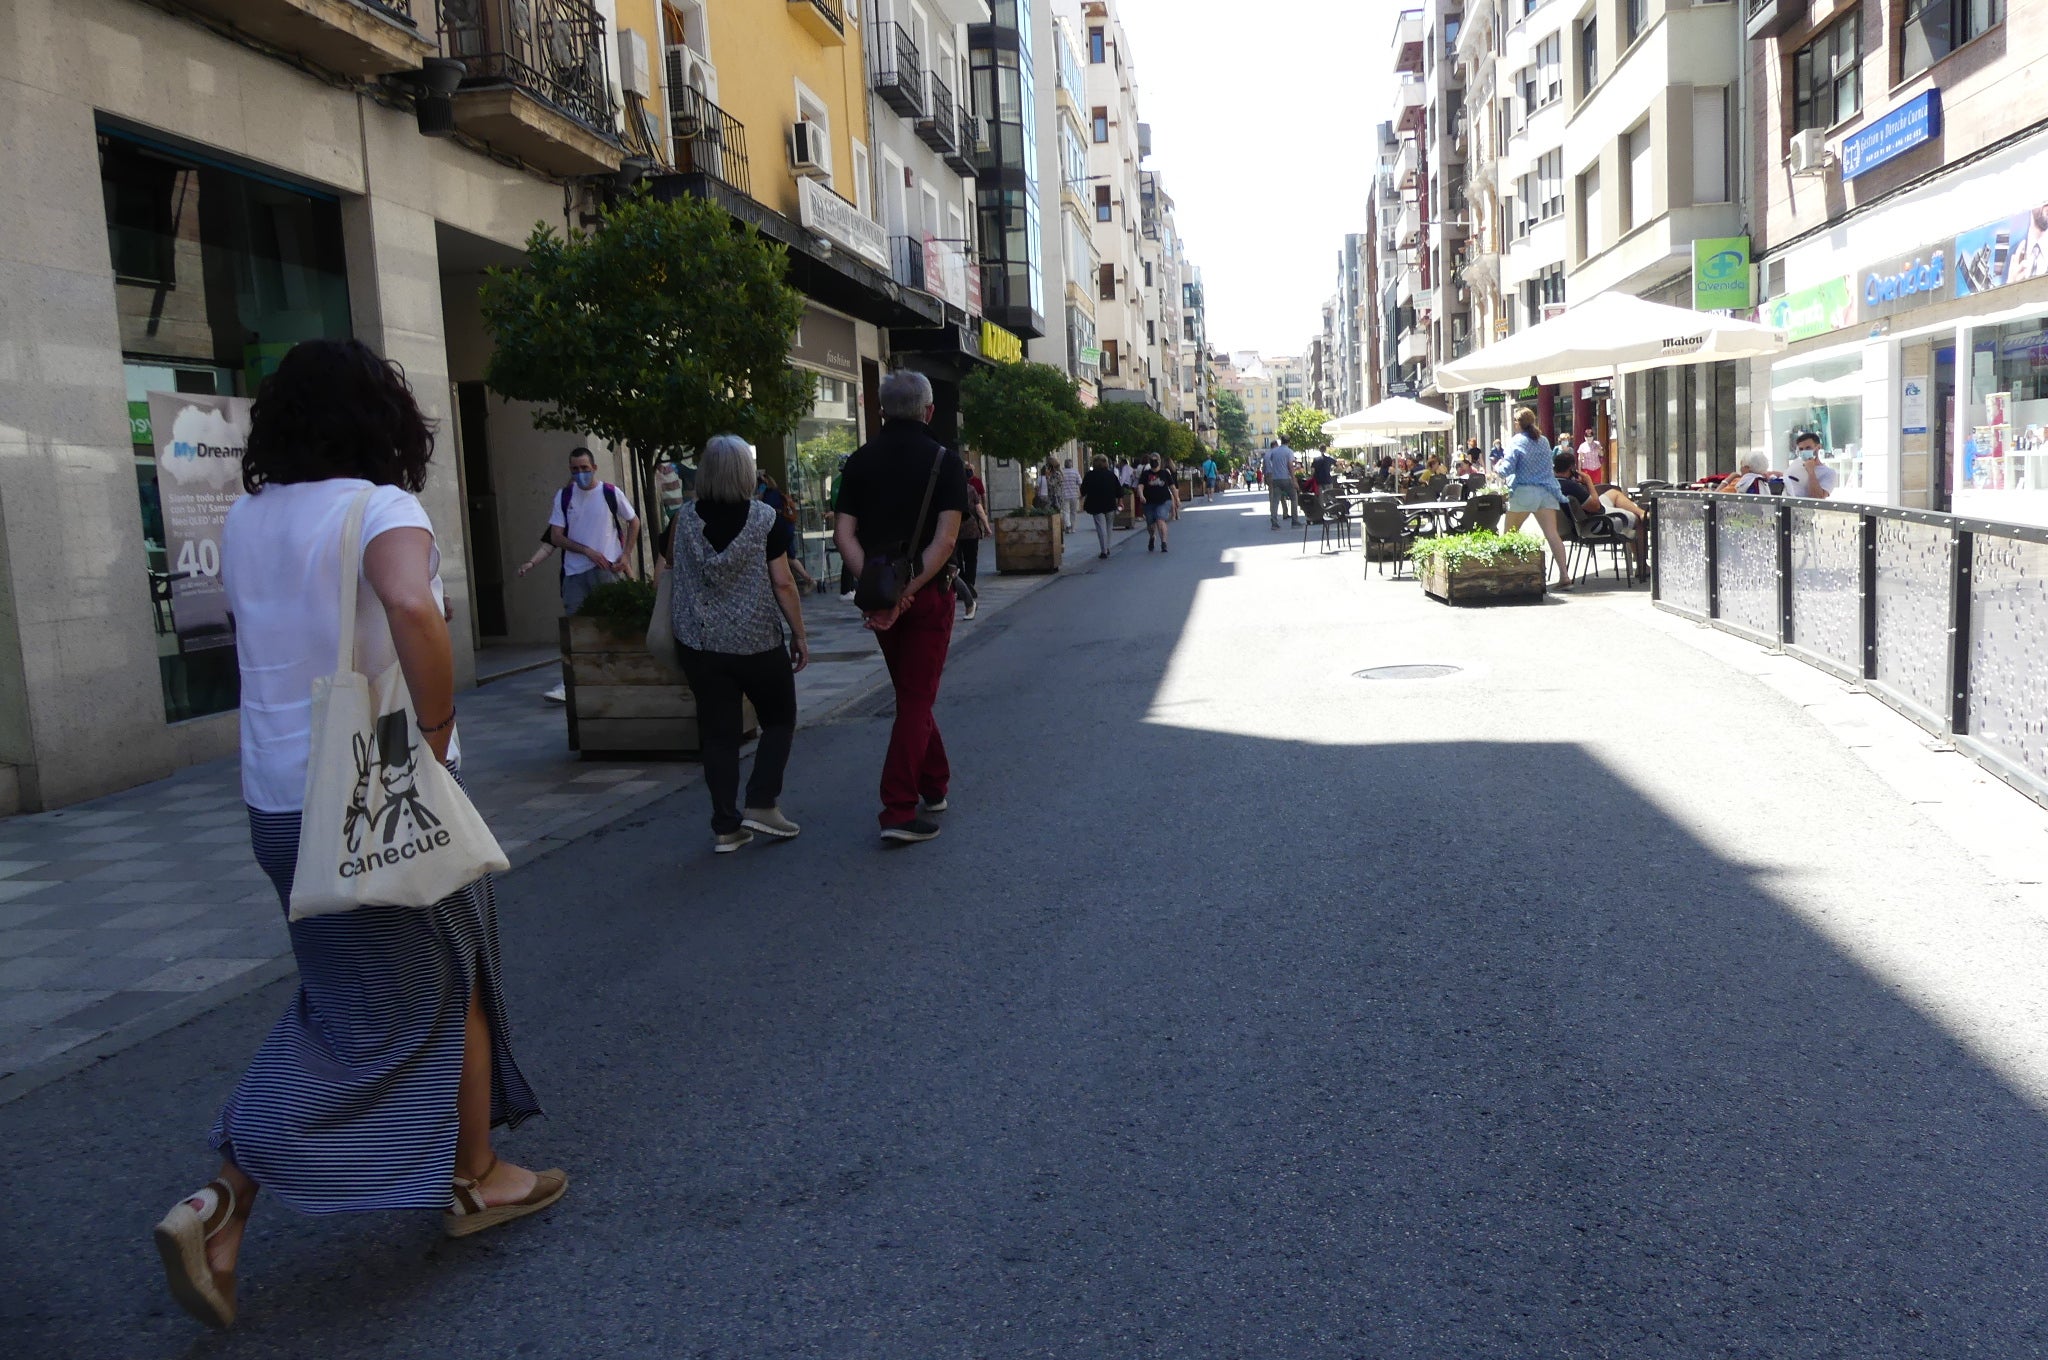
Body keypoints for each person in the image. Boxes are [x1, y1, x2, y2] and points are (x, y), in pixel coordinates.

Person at [156, 340, 559, 1332]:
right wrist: (430, 734)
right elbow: (413, 608)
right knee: (378, 1012)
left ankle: (472, 1172)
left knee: (415, 975)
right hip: (375, 791)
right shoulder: (380, 507)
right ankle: (224, 1195)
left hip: (278, 798)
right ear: (383, 419)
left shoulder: (250, 517)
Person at [833, 370, 969, 844]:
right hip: (929, 595)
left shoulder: (859, 460)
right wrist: (909, 589)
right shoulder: (945, 462)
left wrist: (883, 590)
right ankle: (898, 808)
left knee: (912, 691)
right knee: (916, 698)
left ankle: (935, 784)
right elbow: (946, 539)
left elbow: (843, 535)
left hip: (882, 596)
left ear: (882, 411)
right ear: (929, 411)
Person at [664, 436, 807, 853]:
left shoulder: (683, 518)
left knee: (719, 734)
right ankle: (762, 802)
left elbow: (671, 564)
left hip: (701, 643)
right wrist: (798, 633)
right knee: (779, 719)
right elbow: (782, 582)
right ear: (746, 473)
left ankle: (726, 826)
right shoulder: (766, 520)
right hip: (757, 641)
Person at [543, 447, 638, 701]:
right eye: (575, 469)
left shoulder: (609, 493)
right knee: (575, 628)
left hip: (606, 570)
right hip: (574, 573)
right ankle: (569, 682)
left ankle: (616, 676)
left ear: (594, 468)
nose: (580, 473)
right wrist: (585, 550)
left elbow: (634, 521)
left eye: (585, 468)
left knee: (610, 624)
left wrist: (626, 554)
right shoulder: (564, 497)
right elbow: (556, 536)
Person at [1497, 406, 1573, 590]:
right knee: (1552, 535)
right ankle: (1564, 575)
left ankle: (1505, 574)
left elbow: (1507, 468)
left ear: (1518, 423)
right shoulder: (1544, 440)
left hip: (1524, 491)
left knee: (1509, 534)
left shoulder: (1517, 441)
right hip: (1546, 492)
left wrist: (1498, 469)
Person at [1554, 451, 1647, 579]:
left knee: (1614, 493)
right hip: (1595, 523)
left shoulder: (1553, 484)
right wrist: (1588, 481)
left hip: (1580, 521)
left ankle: (1642, 513)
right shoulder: (1571, 486)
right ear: (1572, 468)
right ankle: (1642, 567)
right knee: (1636, 520)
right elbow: (1596, 506)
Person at [954, 460, 992, 620]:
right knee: (972, 558)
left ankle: (963, 585)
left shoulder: (952, 491)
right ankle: (970, 583)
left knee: (958, 559)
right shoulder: (971, 490)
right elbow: (979, 510)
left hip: (955, 530)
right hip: (971, 530)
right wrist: (987, 527)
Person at [1081, 453, 1123, 559]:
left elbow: (1083, 490)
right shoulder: (1111, 475)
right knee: (1109, 526)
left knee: (1101, 527)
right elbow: (1119, 490)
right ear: (1106, 463)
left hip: (1095, 504)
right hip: (1110, 503)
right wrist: (1120, 501)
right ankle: (1107, 547)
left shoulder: (1089, 475)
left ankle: (1103, 550)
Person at [1137, 452, 1180, 552]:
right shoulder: (1145, 474)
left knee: (1160, 520)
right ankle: (1152, 537)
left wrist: (1177, 499)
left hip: (1163, 501)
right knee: (1151, 525)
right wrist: (1141, 495)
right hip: (1149, 503)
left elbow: (1172, 487)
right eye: (1152, 460)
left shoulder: (1165, 473)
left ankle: (1164, 542)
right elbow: (1140, 486)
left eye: (1156, 460)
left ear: (1160, 461)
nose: (1154, 462)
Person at [1782, 429, 1837, 499]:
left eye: (1808, 448)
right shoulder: (1796, 462)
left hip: (1803, 507)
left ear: (1818, 447)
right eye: (1801, 449)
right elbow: (1789, 478)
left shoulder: (1828, 473)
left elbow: (1818, 497)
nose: (1804, 451)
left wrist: (1811, 472)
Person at [1263, 439, 1299, 528]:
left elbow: (1267, 465)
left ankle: (1274, 522)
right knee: (1294, 498)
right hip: (1286, 477)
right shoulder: (1289, 451)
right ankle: (1294, 521)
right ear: (1288, 441)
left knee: (1275, 500)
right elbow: (1290, 466)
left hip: (1274, 478)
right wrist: (1294, 480)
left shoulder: (1272, 453)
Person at [1059, 457, 1082, 531]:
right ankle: (1073, 528)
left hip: (1064, 495)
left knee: (1066, 511)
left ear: (1065, 465)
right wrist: (1081, 493)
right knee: (1073, 512)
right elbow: (1080, 483)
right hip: (1074, 495)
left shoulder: (1061, 472)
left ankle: (1068, 526)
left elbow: (1059, 483)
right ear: (1071, 465)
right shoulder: (1075, 472)